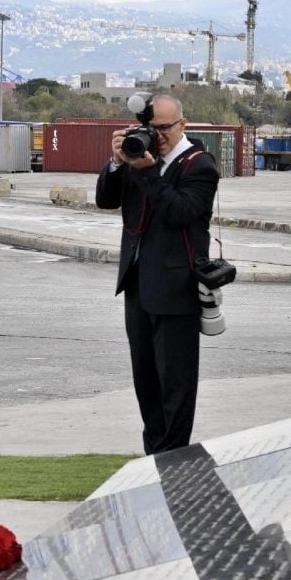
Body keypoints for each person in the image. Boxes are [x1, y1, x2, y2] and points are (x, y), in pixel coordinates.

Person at [96, 93, 218, 455]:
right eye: (152, 128)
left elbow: (179, 213)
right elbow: (106, 199)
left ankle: (173, 458)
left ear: (183, 124)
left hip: (177, 289)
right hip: (137, 286)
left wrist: (147, 171)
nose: (158, 135)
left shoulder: (199, 165)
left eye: (165, 128)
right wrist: (118, 163)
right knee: (146, 382)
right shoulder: (138, 155)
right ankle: (154, 457)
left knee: (175, 384)